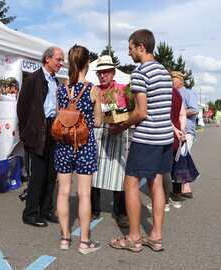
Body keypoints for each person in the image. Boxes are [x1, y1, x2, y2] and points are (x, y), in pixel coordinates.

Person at [108, 29, 173, 252]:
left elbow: (141, 112)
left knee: (131, 183)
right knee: (156, 184)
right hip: (164, 137)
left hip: (147, 137)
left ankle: (133, 237)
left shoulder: (140, 72)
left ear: (141, 47)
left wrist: (121, 125)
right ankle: (155, 236)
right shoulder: (164, 72)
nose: (129, 53)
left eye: (130, 48)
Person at [55, 45, 102, 254]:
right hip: (84, 145)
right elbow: (98, 122)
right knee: (84, 194)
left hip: (63, 145)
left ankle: (64, 238)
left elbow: (59, 116)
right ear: (87, 64)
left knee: (63, 192)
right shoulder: (93, 89)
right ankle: (84, 241)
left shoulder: (60, 88)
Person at [17, 46, 64, 227]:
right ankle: (30, 213)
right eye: (58, 60)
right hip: (38, 130)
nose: (61, 63)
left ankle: (45, 210)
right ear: (47, 59)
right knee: (37, 174)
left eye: (61, 61)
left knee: (51, 173)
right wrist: (27, 133)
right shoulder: (33, 79)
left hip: (53, 129)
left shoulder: (55, 80)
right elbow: (22, 109)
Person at [90, 55, 129, 228]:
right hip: (98, 137)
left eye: (106, 72)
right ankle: (93, 209)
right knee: (93, 172)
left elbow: (132, 112)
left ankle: (120, 211)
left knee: (119, 175)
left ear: (113, 72)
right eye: (100, 73)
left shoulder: (123, 90)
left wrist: (122, 124)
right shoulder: (94, 90)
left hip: (117, 137)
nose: (102, 76)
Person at [151, 71, 186, 210]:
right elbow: (182, 113)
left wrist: (174, 129)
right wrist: (181, 129)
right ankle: (174, 197)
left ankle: (164, 200)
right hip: (177, 133)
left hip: (165, 132)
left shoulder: (163, 93)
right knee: (174, 165)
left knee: (163, 168)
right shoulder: (177, 94)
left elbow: (163, 115)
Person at [173, 68, 198, 199]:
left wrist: (178, 111)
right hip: (175, 130)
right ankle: (180, 187)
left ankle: (185, 187)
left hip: (186, 130)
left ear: (180, 81)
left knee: (182, 156)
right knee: (178, 157)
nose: (171, 81)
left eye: (173, 79)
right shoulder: (172, 93)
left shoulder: (188, 94)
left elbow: (194, 110)